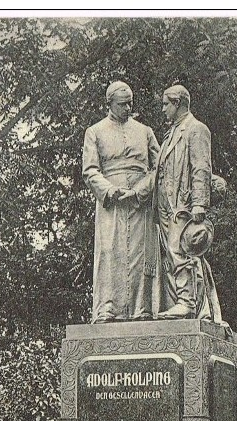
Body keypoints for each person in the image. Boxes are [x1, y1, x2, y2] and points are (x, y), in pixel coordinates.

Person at [82, 81, 161, 323]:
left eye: (130, 103)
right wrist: (111, 190)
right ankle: (108, 308)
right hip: (111, 203)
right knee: (110, 252)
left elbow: (159, 167)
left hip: (140, 202)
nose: (129, 107)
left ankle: (142, 309)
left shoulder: (144, 131)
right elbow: (90, 170)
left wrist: (139, 191)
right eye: (123, 104)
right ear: (110, 104)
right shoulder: (95, 132)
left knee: (140, 254)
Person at [155, 84, 222, 321]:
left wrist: (199, 204)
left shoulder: (196, 129)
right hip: (166, 205)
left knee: (180, 251)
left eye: (165, 104)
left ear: (177, 103)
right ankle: (180, 300)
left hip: (183, 204)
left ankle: (187, 301)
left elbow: (201, 167)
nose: (162, 110)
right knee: (170, 255)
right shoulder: (171, 133)